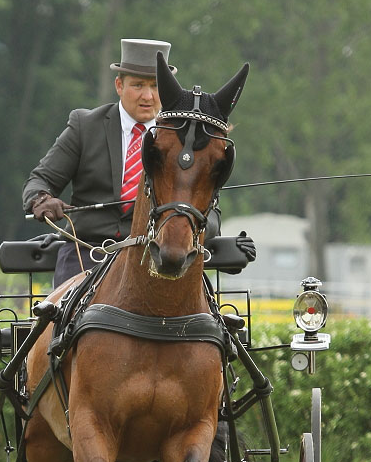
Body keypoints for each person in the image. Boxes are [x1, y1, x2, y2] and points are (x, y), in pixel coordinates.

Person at [23, 38, 255, 287]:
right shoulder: (85, 126)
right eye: (138, 85)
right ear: (119, 85)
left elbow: (209, 208)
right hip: (87, 254)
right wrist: (41, 199)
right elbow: (42, 179)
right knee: (60, 320)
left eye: (156, 86)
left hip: (158, 257)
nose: (148, 96)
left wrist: (197, 228)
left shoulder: (183, 139)